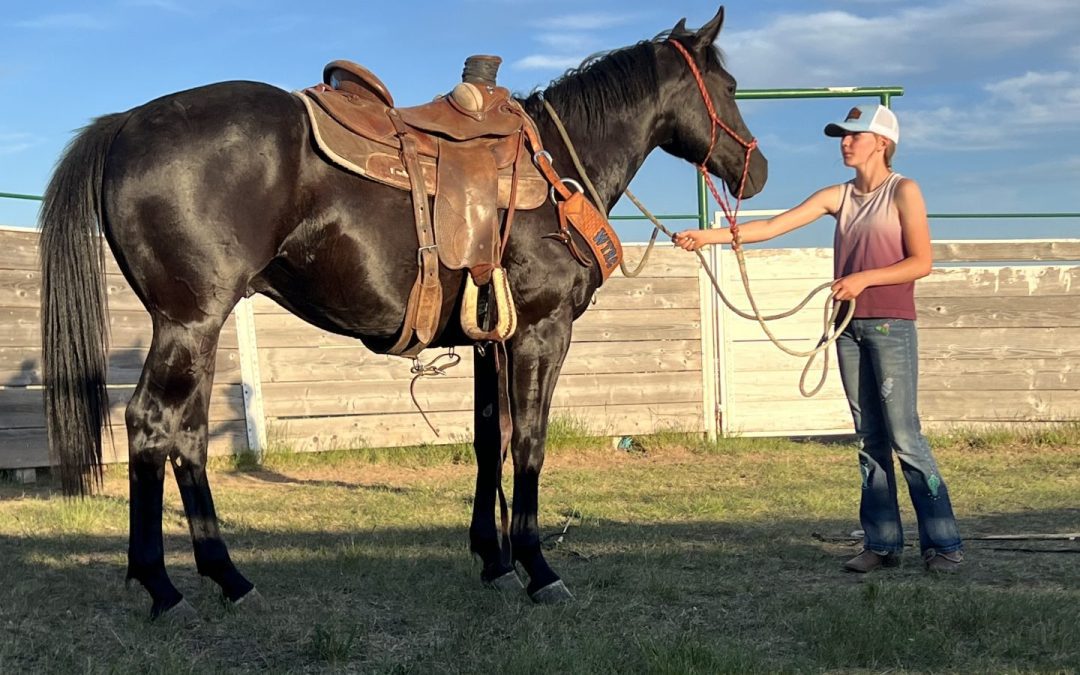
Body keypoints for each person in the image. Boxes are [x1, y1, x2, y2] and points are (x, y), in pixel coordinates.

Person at [673, 104, 963, 573]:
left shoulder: (903, 191)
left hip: (890, 325)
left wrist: (863, 279)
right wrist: (706, 237)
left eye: (854, 135)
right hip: (847, 327)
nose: (845, 143)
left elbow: (921, 262)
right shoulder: (839, 195)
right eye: (842, 136)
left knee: (905, 437)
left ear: (882, 143)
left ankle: (944, 544)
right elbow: (771, 227)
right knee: (869, 438)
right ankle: (882, 544)